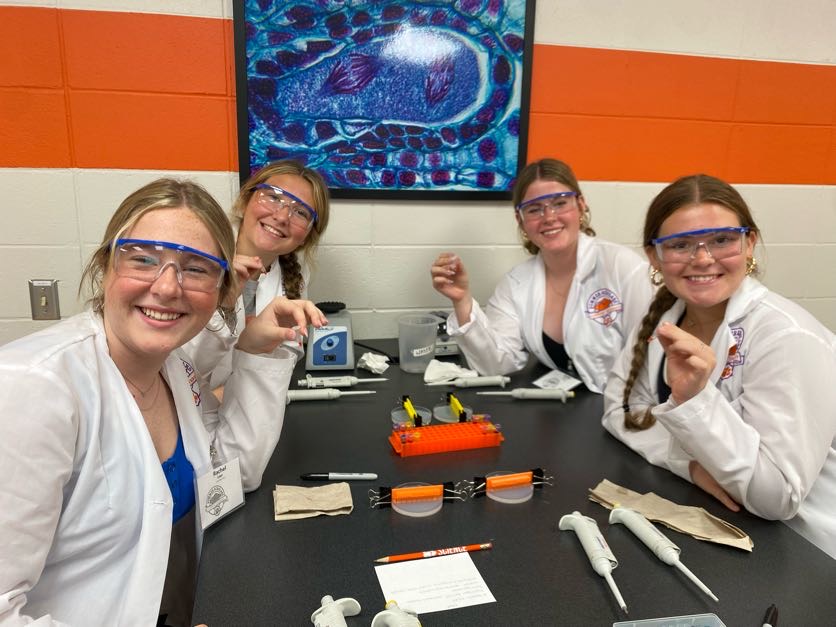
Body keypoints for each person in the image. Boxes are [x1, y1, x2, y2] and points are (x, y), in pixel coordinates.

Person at [0, 179, 326, 625]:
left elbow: (232, 481)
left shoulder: (174, 371)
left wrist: (255, 353)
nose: (168, 286)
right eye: (144, 259)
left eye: (196, 268)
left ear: (220, 289)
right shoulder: (32, 386)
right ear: (105, 266)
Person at [602, 174, 836, 559]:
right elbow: (619, 411)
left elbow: (776, 496)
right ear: (653, 256)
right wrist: (691, 464)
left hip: (805, 549)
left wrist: (696, 399)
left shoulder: (787, 337)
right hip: (724, 527)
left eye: (722, 240)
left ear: (750, 243)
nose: (703, 258)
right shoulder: (664, 314)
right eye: (680, 244)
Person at [430, 158, 653, 393]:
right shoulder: (516, 283)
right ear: (521, 220)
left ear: (581, 204)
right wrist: (462, 300)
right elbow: (496, 364)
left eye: (559, 203)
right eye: (534, 209)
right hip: (567, 407)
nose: (549, 217)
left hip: (629, 406)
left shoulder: (622, 267)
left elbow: (652, 357)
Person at [187, 159, 330, 389]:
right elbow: (175, 360)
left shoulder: (294, 279)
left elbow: (280, 365)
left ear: (307, 236)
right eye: (273, 197)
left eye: (301, 212)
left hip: (247, 411)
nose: (282, 217)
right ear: (245, 202)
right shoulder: (197, 257)